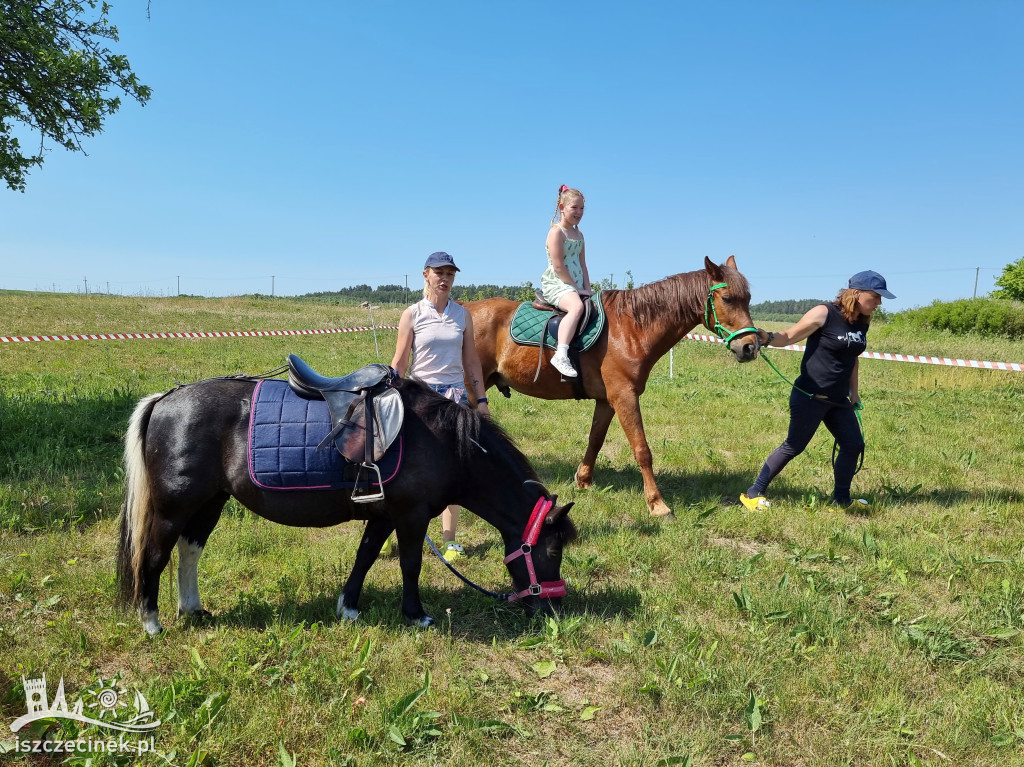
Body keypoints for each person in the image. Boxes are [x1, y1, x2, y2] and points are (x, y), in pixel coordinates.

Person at [740, 270, 895, 511]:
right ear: (856, 293)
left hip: (838, 400)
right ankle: (753, 493)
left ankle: (842, 499)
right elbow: (790, 335)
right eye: (875, 296)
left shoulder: (862, 322)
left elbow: (853, 358)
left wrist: (854, 393)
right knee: (794, 446)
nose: (879, 303)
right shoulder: (824, 313)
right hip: (810, 396)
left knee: (853, 444)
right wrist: (768, 337)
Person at [389, 251, 490, 561]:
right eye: (439, 273)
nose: (445, 279)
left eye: (450, 274)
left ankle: (450, 541)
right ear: (426, 275)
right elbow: (401, 361)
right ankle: (388, 531)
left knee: (452, 469)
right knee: (405, 468)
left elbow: (471, 361)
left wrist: (481, 400)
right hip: (419, 400)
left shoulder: (463, 315)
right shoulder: (412, 314)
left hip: (454, 401)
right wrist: (390, 393)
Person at [539, 185, 592, 378]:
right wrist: (577, 289)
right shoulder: (556, 233)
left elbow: (583, 265)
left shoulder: (579, 235)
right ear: (562, 207)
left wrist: (588, 288)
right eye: (574, 208)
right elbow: (559, 266)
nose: (578, 212)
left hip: (576, 285)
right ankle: (561, 354)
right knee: (577, 307)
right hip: (558, 284)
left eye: (581, 208)